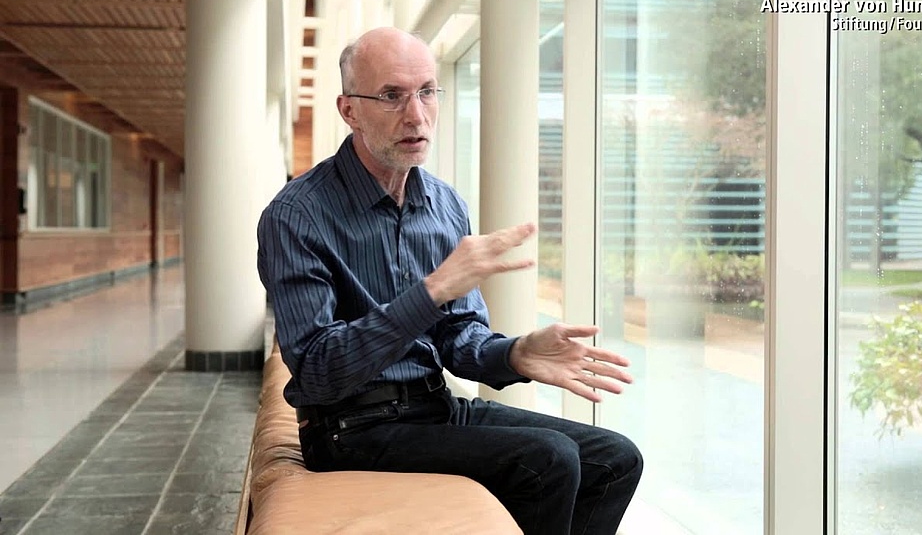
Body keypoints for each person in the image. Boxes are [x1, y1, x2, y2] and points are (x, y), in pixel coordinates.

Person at [256, 27, 643, 534]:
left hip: (434, 405)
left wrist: (514, 353)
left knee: (615, 459)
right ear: (349, 110)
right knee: (548, 460)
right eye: (391, 96)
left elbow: (459, 338)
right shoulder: (295, 214)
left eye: (427, 92)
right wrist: (431, 292)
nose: (416, 115)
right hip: (347, 428)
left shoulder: (444, 205)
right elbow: (317, 372)